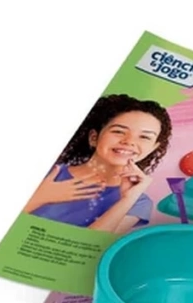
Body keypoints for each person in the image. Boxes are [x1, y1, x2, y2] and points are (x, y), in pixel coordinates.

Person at [24, 94, 172, 232]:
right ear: (94, 138)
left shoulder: (138, 201)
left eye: (145, 137)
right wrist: (40, 197)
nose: (129, 141)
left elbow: (90, 245)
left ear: (153, 148)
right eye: (118, 131)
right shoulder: (48, 173)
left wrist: (127, 199)